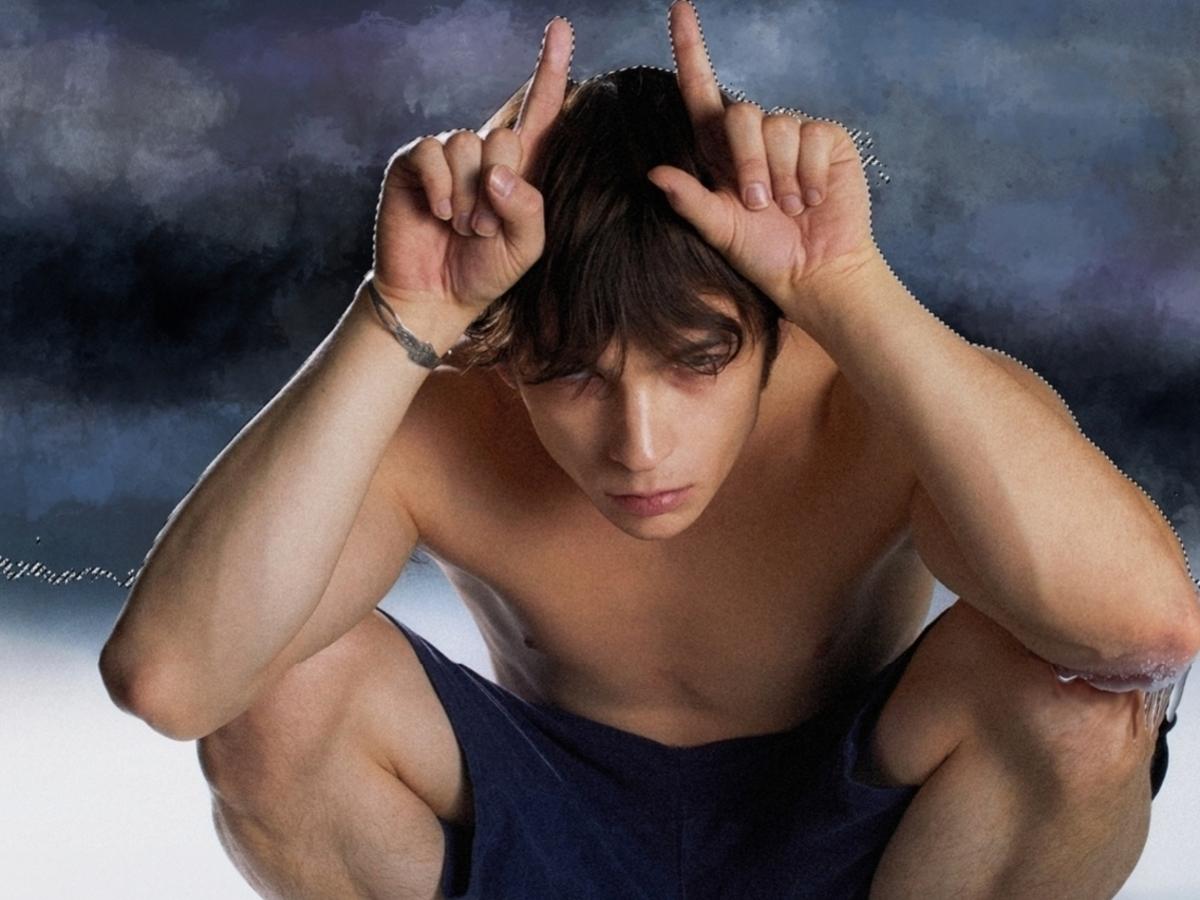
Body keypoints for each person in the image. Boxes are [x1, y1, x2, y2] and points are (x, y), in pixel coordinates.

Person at [99, 3, 1196, 898]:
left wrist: (851, 288)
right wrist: (400, 316)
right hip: (548, 844)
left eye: (696, 363)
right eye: (573, 374)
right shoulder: (438, 417)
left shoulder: (881, 400)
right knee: (279, 690)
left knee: (1079, 705)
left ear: (772, 322)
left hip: (853, 841)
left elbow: (1146, 635)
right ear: (509, 350)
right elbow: (178, 681)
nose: (640, 443)